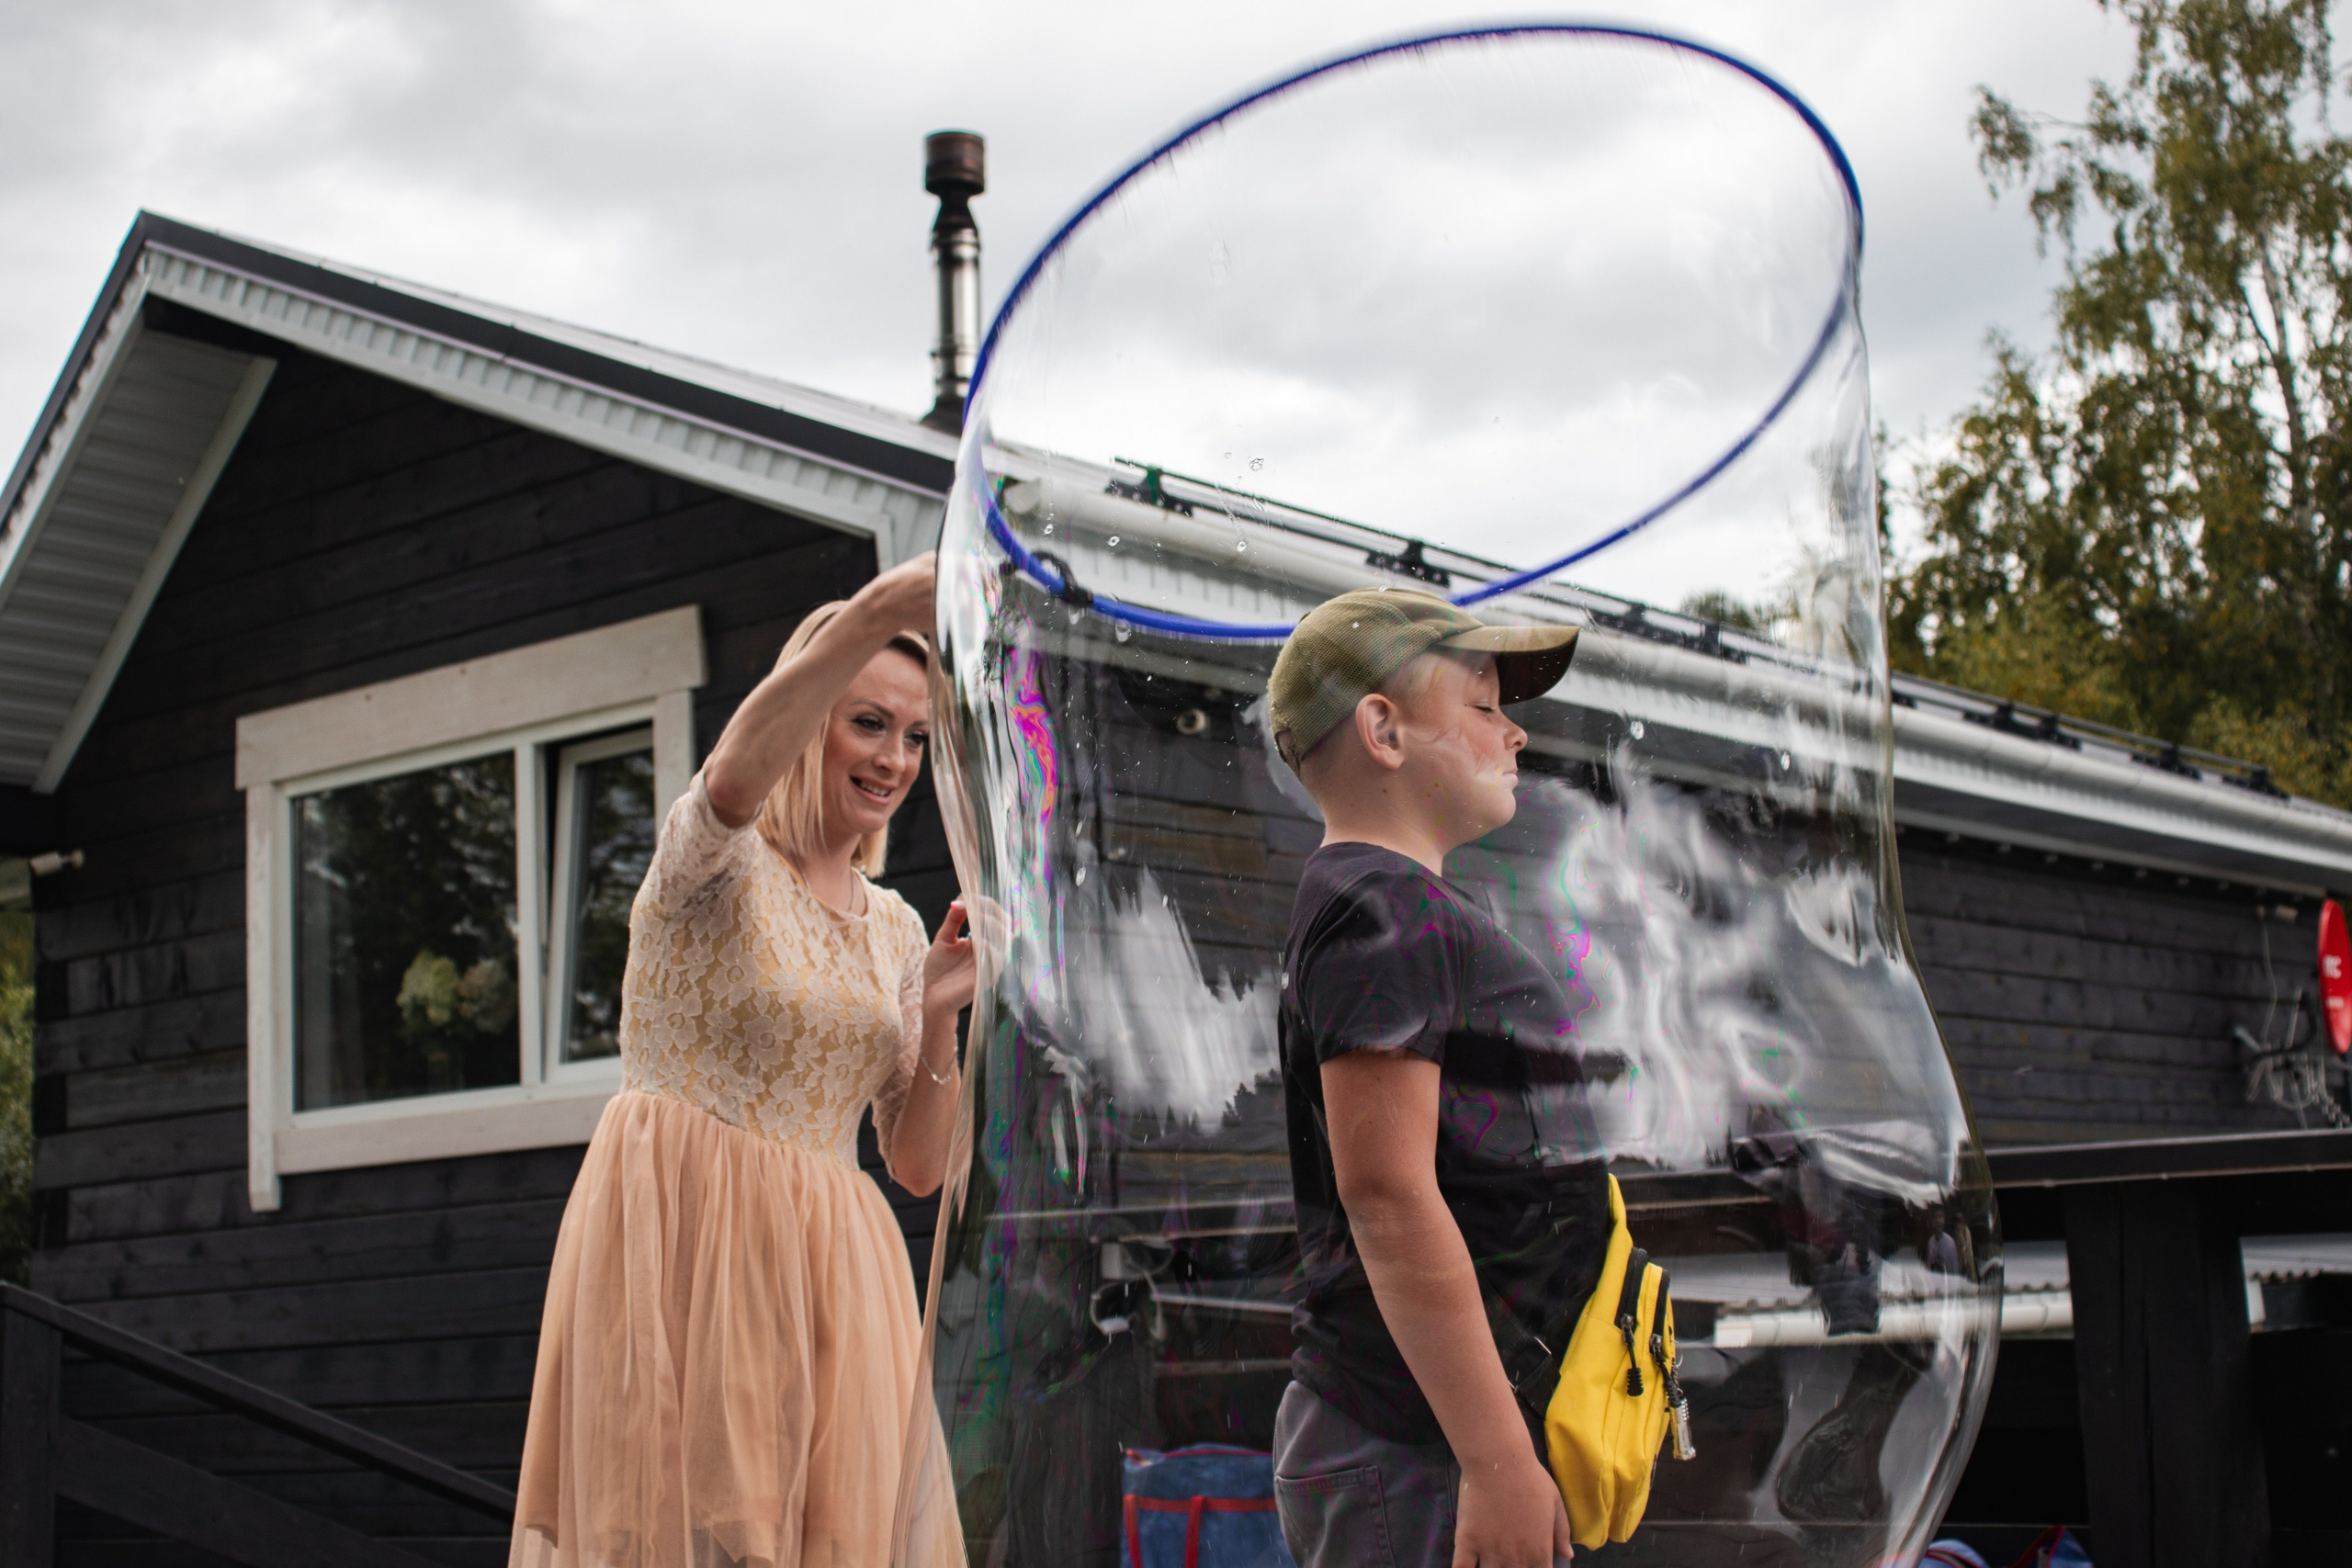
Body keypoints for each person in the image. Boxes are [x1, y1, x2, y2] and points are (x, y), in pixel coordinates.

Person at [510, 556, 972, 1568]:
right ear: (808, 713)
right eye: (867, 721)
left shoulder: (894, 929)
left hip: (834, 1277)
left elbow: (918, 1166)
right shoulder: (711, 863)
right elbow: (731, 778)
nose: (893, 759)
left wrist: (938, 1014)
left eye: (914, 737)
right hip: (686, 1243)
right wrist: (874, 615)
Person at [1265, 587, 1607, 1568]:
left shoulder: (1394, 904)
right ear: (1382, 729)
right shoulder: (1374, 906)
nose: (1516, 735)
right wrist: (1495, 1458)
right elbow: (1385, 1190)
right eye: (1484, 704)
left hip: (1429, 1434)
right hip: (1411, 1443)